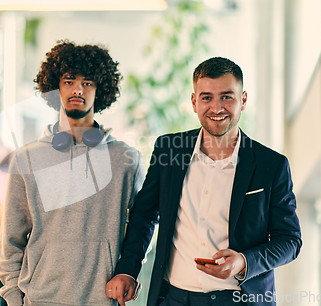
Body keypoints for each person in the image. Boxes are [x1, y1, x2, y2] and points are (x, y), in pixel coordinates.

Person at [106, 57, 302, 306]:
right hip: (173, 298)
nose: (217, 108)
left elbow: (290, 240)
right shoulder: (169, 150)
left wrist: (244, 260)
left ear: (243, 100)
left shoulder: (271, 165)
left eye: (227, 97)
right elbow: (145, 214)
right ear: (194, 102)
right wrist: (127, 270)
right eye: (207, 97)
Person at [0, 40, 145, 306]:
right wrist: (13, 299)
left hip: (102, 299)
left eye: (87, 82)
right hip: (40, 300)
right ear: (55, 88)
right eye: (68, 81)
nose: (77, 89)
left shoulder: (126, 160)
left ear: (100, 91)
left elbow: (142, 227)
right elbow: (10, 241)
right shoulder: (26, 160)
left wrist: (129, 272)